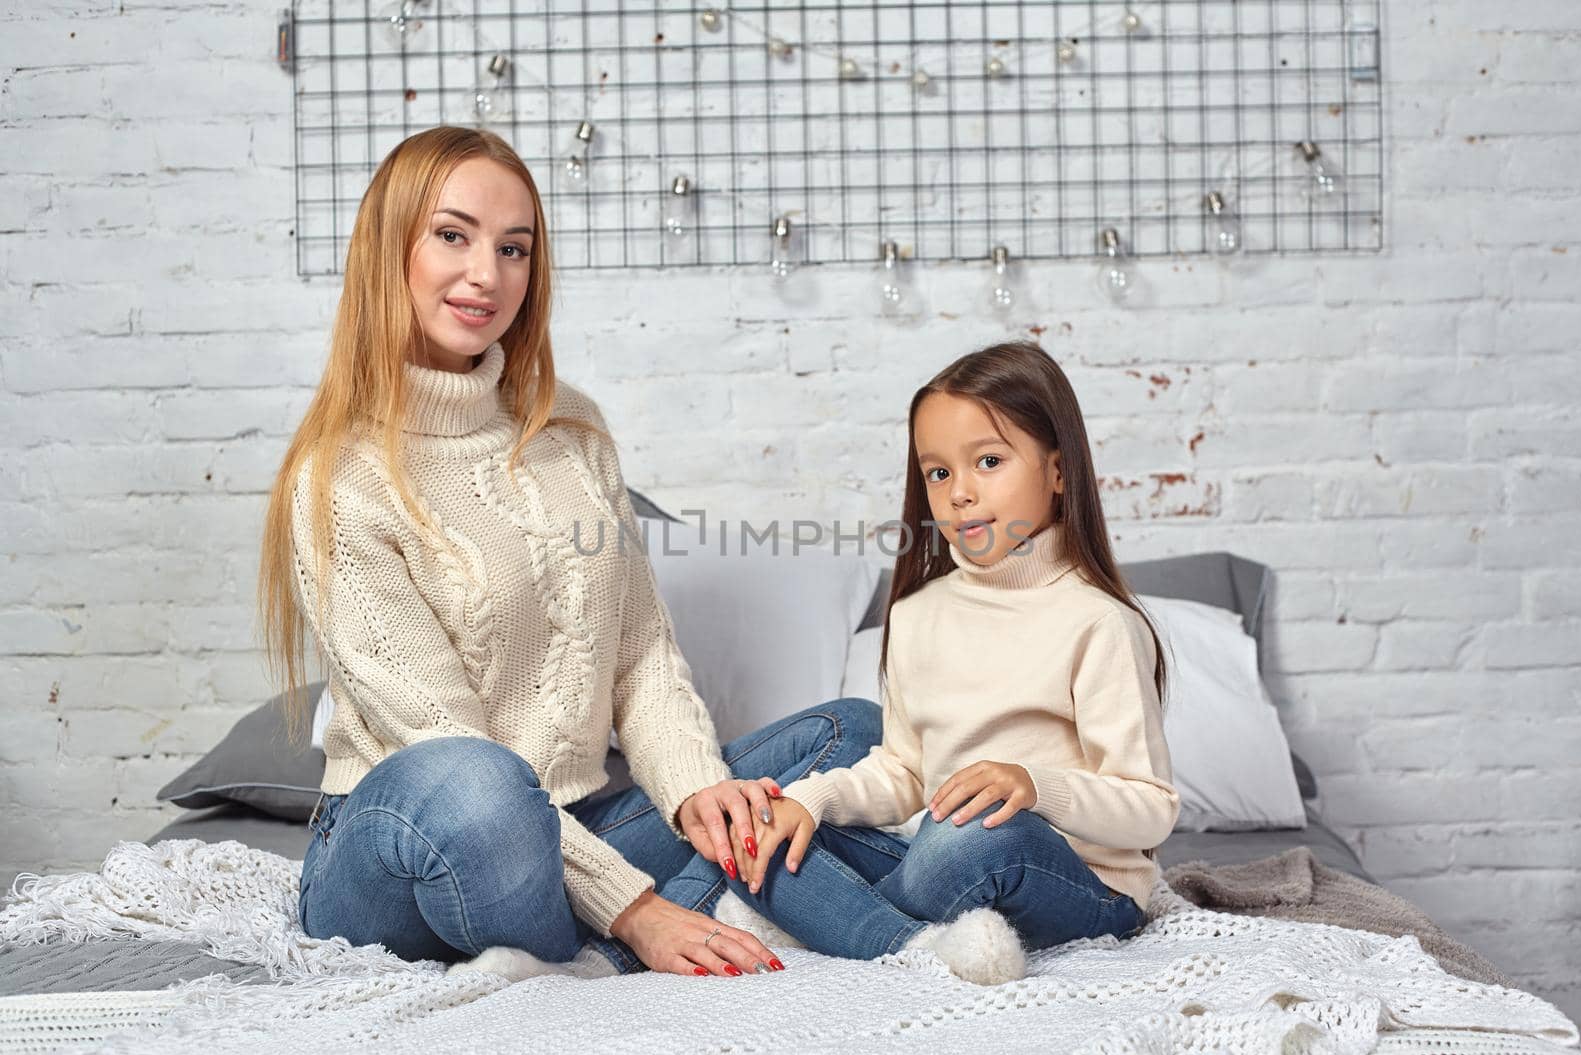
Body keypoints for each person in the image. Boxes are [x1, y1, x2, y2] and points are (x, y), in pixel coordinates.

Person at [256, 124, 886, 980]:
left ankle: (580, 937)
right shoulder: (341, 480)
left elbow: (641, 657)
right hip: (402, 847)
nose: (488, 273)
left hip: (578, 824)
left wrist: (699, 786)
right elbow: (444, 742)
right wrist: (639, 909)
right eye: (453, 235)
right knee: (484, 791)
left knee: (850, 732)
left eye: (514, 248)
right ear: (388, 249)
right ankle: (637, 923)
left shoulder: (573, 431)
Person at [716, 340, 1181, 983]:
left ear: (1057, 470)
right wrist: (810, 800)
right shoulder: (916, 613)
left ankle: (829, 920)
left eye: (988, 461)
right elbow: (903, 772)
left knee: (970, 834)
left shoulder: (1099, 622)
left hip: (1073, 882)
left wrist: (1034, 785)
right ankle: (916, 949)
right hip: (936, 860)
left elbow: (1152, 806)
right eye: (938, 473)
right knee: (752, 829)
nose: (959, 493)